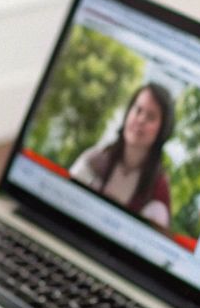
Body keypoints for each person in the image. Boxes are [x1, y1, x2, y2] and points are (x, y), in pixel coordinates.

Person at [69, 83, 176, 233]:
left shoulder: (159, 190)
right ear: (128, 113)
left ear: (162, 130)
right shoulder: (93, 160)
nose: (140, 119)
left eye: (151, 117)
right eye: (138, 110)